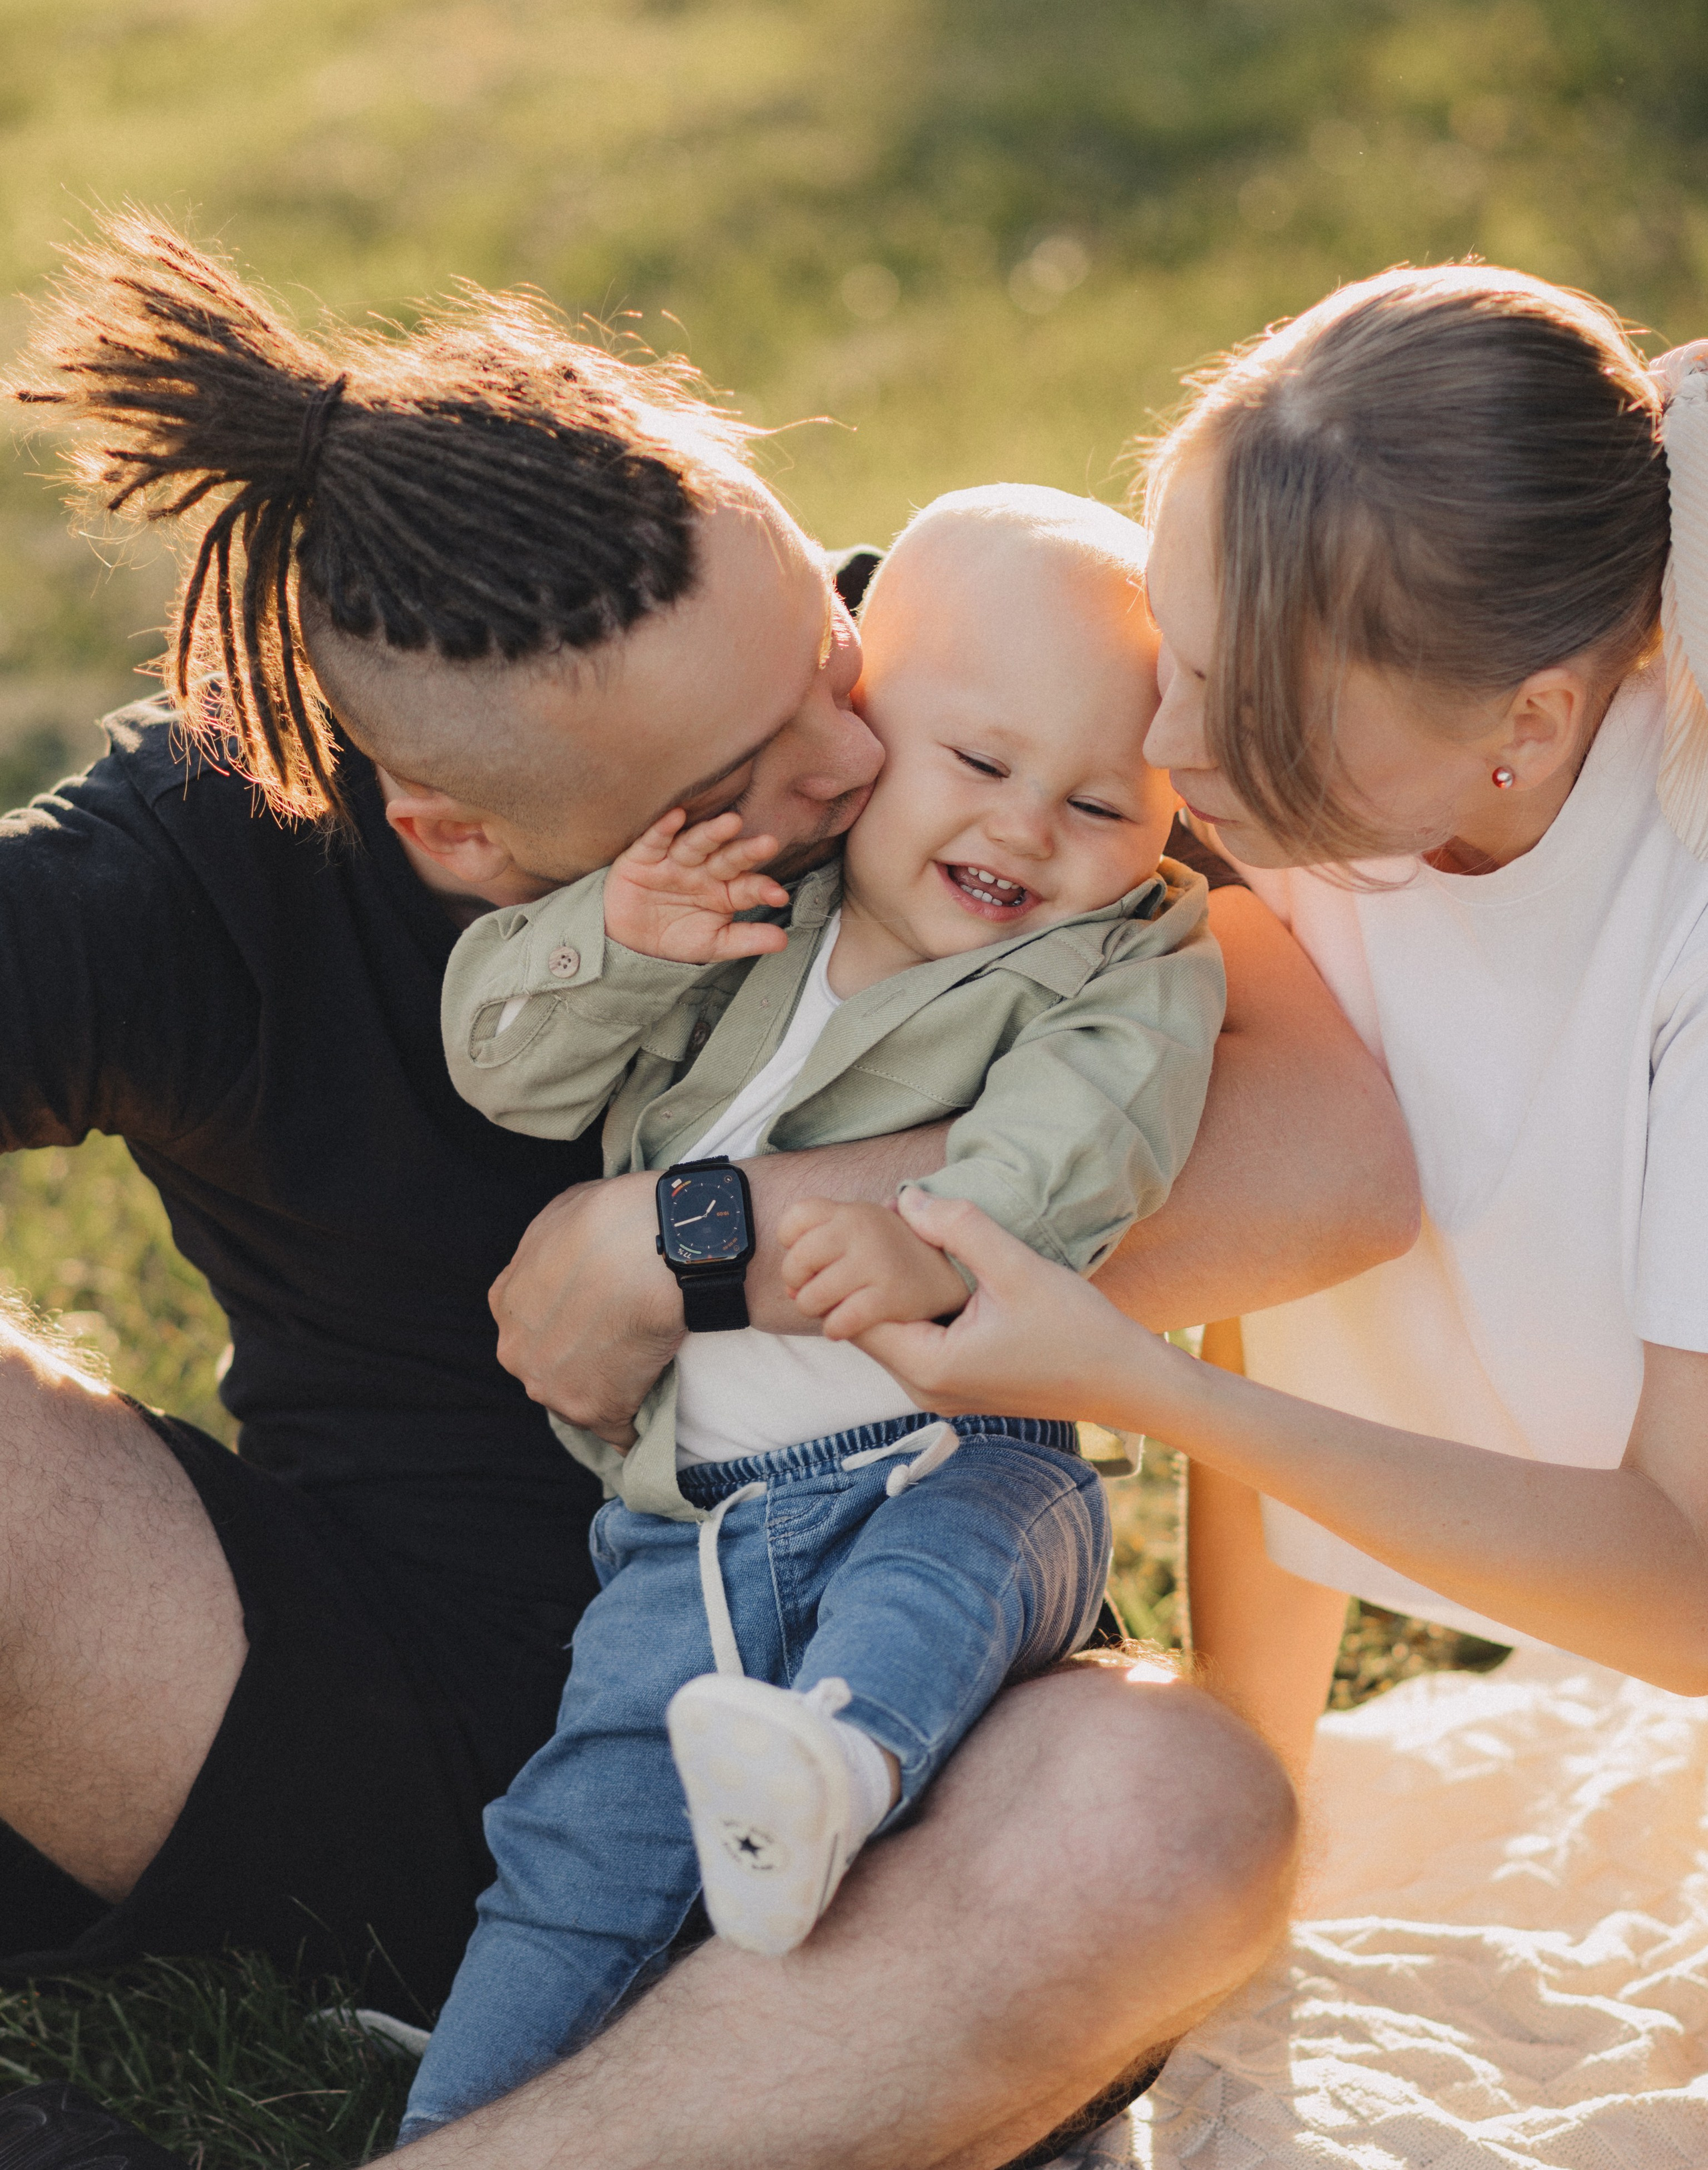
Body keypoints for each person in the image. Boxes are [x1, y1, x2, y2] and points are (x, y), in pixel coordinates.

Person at [0, 216, 1414, 2170]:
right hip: (358, 1702)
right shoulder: (183, 870)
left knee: (1184, 1806)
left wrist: (701, 1242)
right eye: (759, 763)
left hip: (868, 1712)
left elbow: (1344, 1149)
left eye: (834, 660)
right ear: (457, 833)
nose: (860, 752)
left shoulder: (950, 695)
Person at [402, 486, 1224, 2137]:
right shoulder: (753, 898)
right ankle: (454, 2123)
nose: (1028, 832)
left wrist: (958, 1236)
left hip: (954, 1451)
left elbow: (1094, 1124)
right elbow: (502, 1071)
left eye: (1099, 803)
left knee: (936, 1576)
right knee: (583, 1833)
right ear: (864, 730)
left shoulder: (1122, 963)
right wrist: (617, 942)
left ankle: (836, 1769)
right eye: (978, 766)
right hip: (687, 1530)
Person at [846, 267, 1708, 1800]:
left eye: (1247, 699)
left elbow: (1690, 1586)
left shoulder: (1679, 928)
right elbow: (1295, 1297)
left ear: (1526, 722)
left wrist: (1142, 1384)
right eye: (1178, 655)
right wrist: (1249, 1790)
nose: (1168, 744)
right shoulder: (1305, 803)